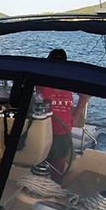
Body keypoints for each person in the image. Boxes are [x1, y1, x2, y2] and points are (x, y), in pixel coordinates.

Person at [37, 48, 89, 182]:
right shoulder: (42, 80)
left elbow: (84, 95)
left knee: (57, 173)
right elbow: (35, 98)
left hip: (63, 131)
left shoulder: (68, 79)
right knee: (38, 167)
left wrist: (76, 115)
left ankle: (54, 190)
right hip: (44, 131)